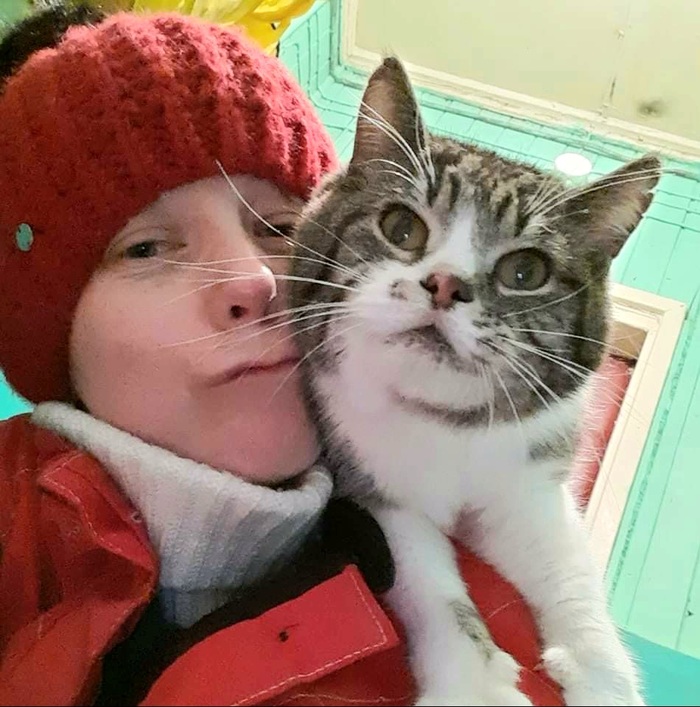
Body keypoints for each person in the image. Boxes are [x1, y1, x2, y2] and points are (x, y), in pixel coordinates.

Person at [0, 4, 564, 705]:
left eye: (280, 229)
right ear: (52, 334)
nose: (255, 280)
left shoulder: (510, 652)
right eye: (145, 248)